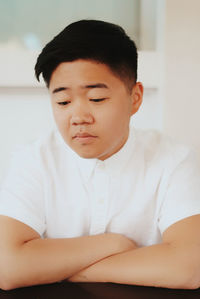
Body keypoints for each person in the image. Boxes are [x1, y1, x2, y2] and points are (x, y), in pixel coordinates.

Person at [0, 19, 200, 291]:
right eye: (63, 102)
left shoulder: (174, 160)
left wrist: (63, 268)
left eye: (96, 99)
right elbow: (7, 267)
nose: (78, 117)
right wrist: (112, 245)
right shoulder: (33, 160)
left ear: (135, 98)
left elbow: (189, 267)